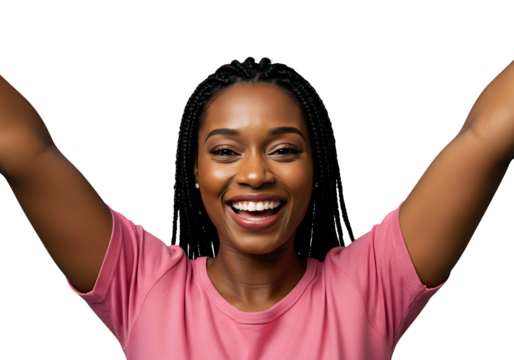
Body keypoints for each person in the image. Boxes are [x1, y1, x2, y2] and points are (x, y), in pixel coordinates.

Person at [0, 56, 512, 359]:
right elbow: (24, 151)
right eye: (225, 151)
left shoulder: (369, 285)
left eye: (284, 149)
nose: (254, 173)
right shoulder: (141, 282)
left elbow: (487, 137)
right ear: (195, 171)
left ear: (316, 171)